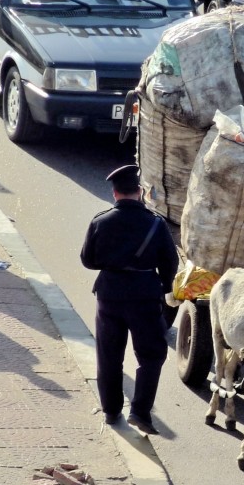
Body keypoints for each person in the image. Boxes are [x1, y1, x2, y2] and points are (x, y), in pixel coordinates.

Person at [80, 164, 179, 435]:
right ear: (141, 191)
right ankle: (140, 411)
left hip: (109, 295)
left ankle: (111, 411)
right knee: (151, 355)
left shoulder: (100, 221)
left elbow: (88, 260)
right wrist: (164, 289)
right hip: (144, 296)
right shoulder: (155, 224)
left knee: (109, 354)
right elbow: (171, 263)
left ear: (114, 193)